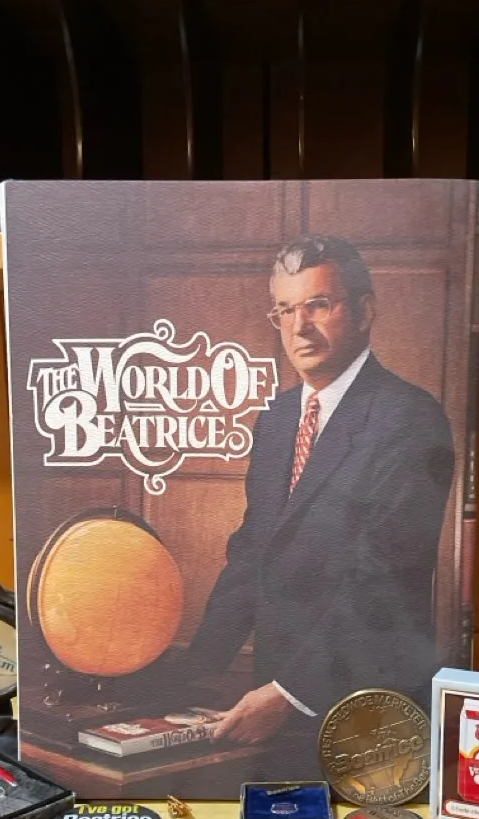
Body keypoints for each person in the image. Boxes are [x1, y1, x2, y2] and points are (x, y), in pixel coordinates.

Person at [185, 234, 455, 757]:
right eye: (285, 310)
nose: (299, 327)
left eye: (318, 304)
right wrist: (191, 672)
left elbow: (382, 581)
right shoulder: (277, 418)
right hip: (272, 701)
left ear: (365, 311)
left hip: (366, 707)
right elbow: (252, 556)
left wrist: (289, 693)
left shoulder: (411, 418)